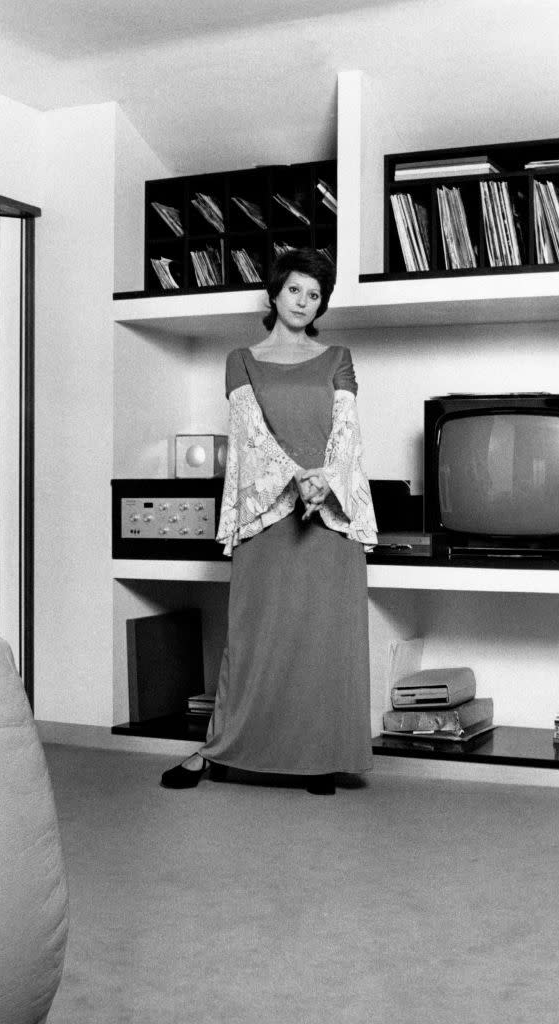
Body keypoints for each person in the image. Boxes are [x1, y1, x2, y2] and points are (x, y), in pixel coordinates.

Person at [160, 247, 378, 795]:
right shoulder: (241, 359)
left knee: (324, 640)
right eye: (295, 290)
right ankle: (221, 750)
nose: (304, 302)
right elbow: (249, 435)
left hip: (328, 519)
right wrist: (294, 478)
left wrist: (324, 481)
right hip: (268, 517)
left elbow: (347, 432)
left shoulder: (339, 357)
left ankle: (320, 758)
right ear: (274, 294)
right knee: (254, 638)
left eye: (314, 294)